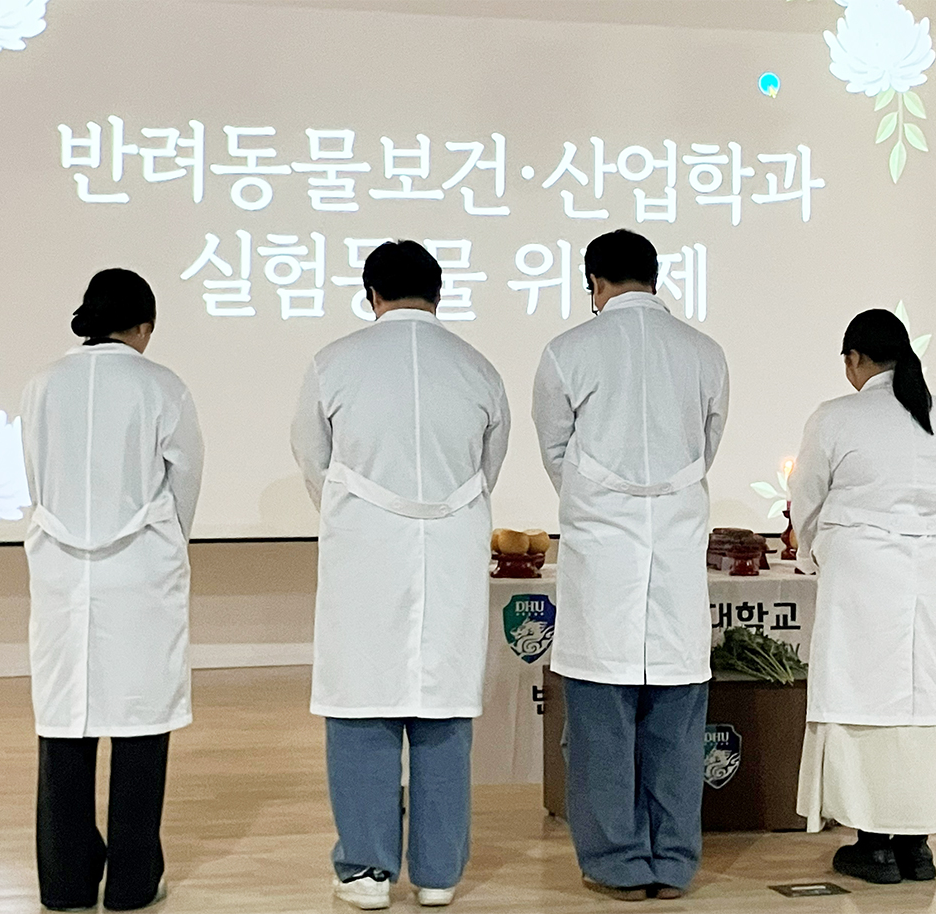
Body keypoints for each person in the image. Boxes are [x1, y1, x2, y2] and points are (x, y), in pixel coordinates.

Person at [291, 240, 510, 910]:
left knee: (362, 705)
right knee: (442, 707)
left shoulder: (334, 362)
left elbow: (312, 460)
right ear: (438, 294)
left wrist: (360, 512)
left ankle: (366, 870)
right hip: (451, 552)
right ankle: (439, 872)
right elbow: (489, 465)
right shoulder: (477, 367)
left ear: (372, 295)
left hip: (365, 552)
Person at [531, 229, 729, 901]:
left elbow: (555, 450)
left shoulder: (567, 351)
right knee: (677, 716)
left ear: (594, 283)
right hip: (676, 547)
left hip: (601, 553)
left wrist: (599, 498)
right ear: (655, 276)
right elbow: (707, 443)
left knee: (601, 718)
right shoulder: (704, 352)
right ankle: (673, 862)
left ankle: (616, 861)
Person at [19, 268, 204, 912]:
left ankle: (65, 880)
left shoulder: (43, 383)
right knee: (141, 722)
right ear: (143, 325)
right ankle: (131, 881)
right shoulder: (162, 385)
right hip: (141, 568)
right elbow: (185, 481)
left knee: (64, 721)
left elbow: (35, 473)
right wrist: (167, 542)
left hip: (61, 568)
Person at [790, 309, 936, 885]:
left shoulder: (836, 416)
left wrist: (813, 552)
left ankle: (874, 846)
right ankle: (917, 848)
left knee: (865, 703)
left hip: (864, 575)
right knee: (925, 705)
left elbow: (806, 499)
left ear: (855, 359)